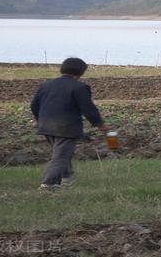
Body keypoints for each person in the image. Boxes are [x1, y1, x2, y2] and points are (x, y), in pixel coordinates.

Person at [31, 57, 109, 190]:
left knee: (60, 153)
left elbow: (34, 105)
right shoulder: (80, 87)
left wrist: (41, 120)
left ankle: (67, 178)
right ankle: (49, 184)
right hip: (66, 127)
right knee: (61, 156)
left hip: (46, 125)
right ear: (81, 73)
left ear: (62, 69)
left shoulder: (46, 84)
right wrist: (99, 123)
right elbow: (88, 107)